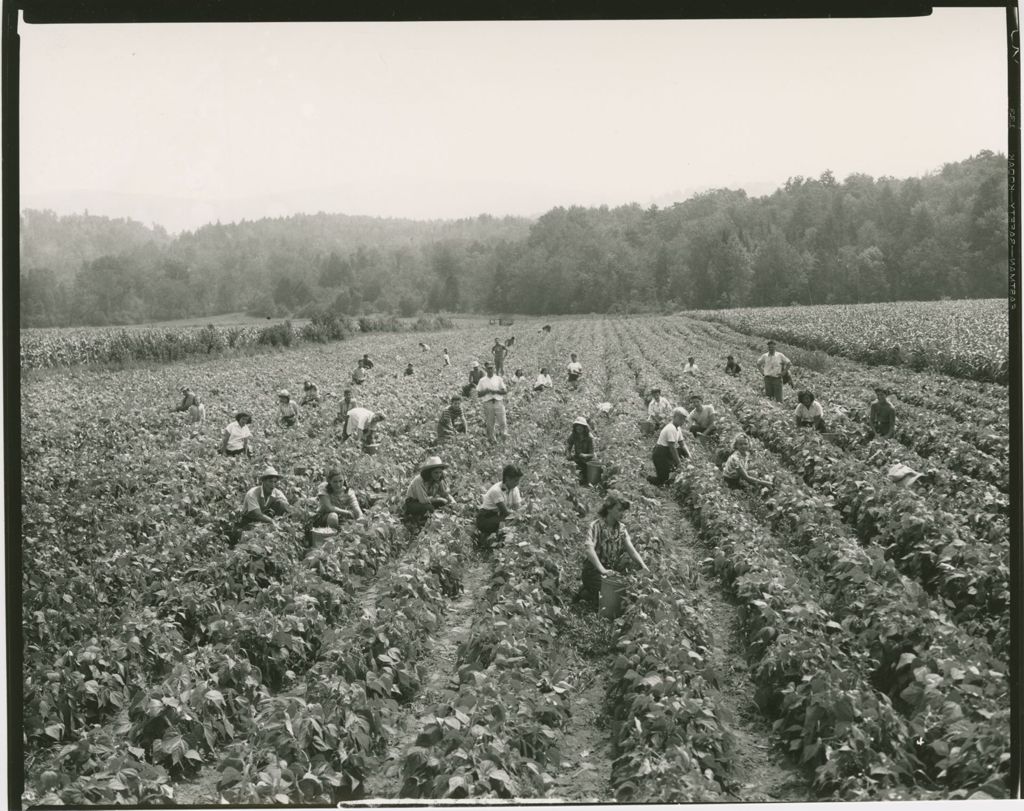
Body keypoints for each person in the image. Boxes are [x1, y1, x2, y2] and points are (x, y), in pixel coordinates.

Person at [575, 494, 649, 608]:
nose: (622, 513)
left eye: (623, 511)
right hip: (593, 571)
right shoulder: (596, 526)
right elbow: (589, 549)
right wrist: (602, 570)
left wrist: (643, 565)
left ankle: (590, 591)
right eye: (619, 510)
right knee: (613, 598)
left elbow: (632, 550)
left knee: (624, 592)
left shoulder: (622, 529)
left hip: (610, 572)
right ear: (609, 509)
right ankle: (586, 593)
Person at [475, 464, 524, 547]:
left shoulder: (515, 489)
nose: (517, 483)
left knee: (514, 521)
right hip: (485, 518)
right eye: (516, 480)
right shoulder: (496, 490)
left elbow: (517, 508)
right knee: (508, 522)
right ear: (508, 479)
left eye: (518, 480)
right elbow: (506, 513)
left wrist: (520, 515)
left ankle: (499, 540)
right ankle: (491, 540)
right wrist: (519, 517)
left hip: (498, 516)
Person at [403, 456, 453, 523]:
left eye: (440, 472)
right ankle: (422, 522)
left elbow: (445, 493)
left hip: (427, 501)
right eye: (436, 472)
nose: (438, 475)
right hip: (412, 503)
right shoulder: (419, 480)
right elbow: (423, 500)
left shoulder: (438, 479)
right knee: (429, 508)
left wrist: (453, 503)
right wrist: (439, 499)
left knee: (446, 505)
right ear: (429, 472)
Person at [647, 407, 689, 486]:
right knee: (662, 481)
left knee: (683, 451)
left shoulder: (678, 428)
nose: (682, 421)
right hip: (660, 454)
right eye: (680, 418)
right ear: (674, 417)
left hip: (667, 453)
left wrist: (690, 456)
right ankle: (648, 478)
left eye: (683, 419)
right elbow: (672, 448)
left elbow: (682, 444)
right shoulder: (670, 428)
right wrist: (679, 463)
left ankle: (672, 469)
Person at [476, 361, 508, 443]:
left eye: (491, 368)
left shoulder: (498, 379)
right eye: (488, 368)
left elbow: (505, 391)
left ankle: (504, 438)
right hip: (488, 403)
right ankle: (492, 440)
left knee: (502, 421)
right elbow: (479, 394)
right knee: (490, 423)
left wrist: (495, 391)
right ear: (486, 369)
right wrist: (486, 391)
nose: (490, 370)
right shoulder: (482, 380)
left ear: (494, 369)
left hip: (498, 402)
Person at [566, 416, 596, 483]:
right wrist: (568, 453)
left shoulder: (589, 437)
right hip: (578, 457)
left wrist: (585, 455)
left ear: (584, 427)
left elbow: (592, 454)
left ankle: (584, 477)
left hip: (588, 459)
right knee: (568, 463)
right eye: (577, 426)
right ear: (575, 427)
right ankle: (577, 476)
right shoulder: (574, 435)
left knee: (586, 473)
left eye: (581, 426)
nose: (578, 428)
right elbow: (569, 444)